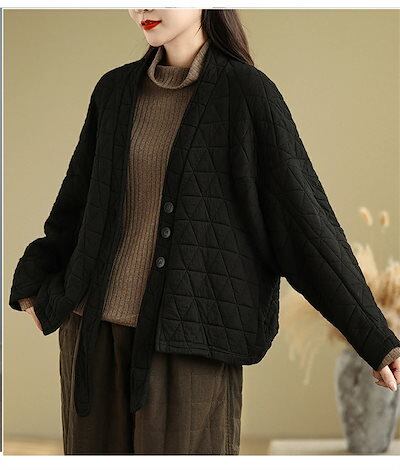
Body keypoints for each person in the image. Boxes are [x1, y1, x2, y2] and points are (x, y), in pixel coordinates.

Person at [10, 8, 400, 455]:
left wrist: (376, 340)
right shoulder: (112, 91)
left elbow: (305, 226)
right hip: (90, 337)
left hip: (189, 345)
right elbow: (73, 210)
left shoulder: (248, 95)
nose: (142, 7)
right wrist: (34, 285)